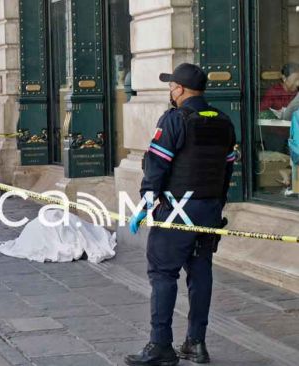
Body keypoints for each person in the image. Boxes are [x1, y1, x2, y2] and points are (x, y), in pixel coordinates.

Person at [125, 63, 236, 366]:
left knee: (162, 273)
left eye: (171, 86)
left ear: (180, 89)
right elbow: (227, 170)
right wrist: (215, 206)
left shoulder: (174, 120)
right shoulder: (224, 121)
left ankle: (161, 345)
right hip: (209, 209)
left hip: (176, 210)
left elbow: (157, 166)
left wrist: (145, 205)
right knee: (201, 275)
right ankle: (196, 344)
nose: (170, 91)